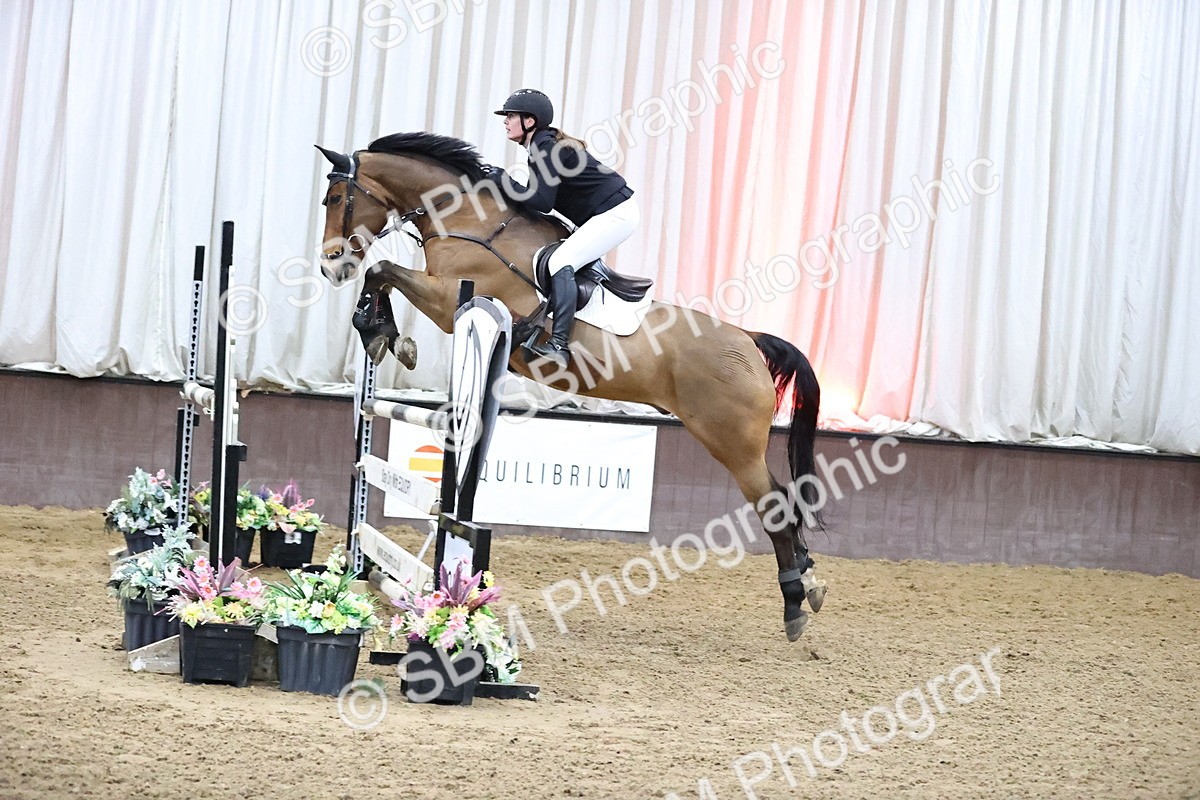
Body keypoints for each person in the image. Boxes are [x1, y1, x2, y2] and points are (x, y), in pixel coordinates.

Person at [487, 89, 640, 366]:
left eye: (511, 116)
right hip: (608, 213)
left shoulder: (545, 148)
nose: (506, 121)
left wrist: (504, 180)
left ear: (530, 121)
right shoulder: (540, 146)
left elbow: (542, 202)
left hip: (617, 214)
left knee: (561, 261)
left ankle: (559, 344)